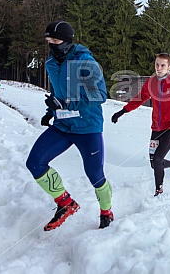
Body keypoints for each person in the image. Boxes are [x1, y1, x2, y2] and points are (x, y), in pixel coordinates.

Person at [26, 20, 113, 230]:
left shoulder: (86, 62)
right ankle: (65, 203)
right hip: (63, 125)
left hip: (87, 126)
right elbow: (57, 91)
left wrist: (68, 102)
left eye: (55, 40)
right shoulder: (50, 63)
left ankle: (106, 211)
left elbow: (100, 95)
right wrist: (51, 110)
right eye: (49, 41)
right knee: (35, 163)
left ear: (66, 41)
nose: (52, 45)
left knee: (95, 175)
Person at [111, 53, 170, 196]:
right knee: (154, 163)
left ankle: (158, 191)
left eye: (162, 65)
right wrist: (123, 111)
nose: (159, 68)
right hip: (156, 127)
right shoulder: (151, 82)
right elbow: (140, 98)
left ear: (169, 67)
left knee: (158, 159)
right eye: (157, 65)